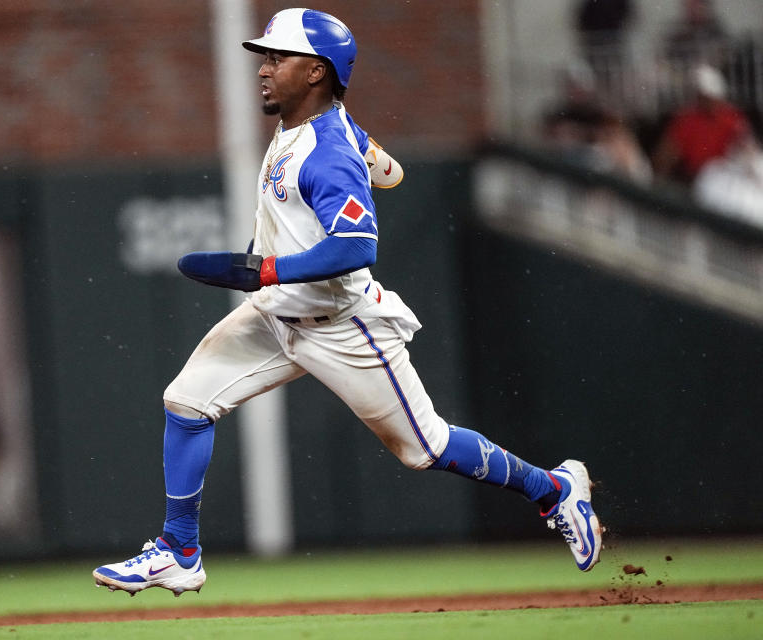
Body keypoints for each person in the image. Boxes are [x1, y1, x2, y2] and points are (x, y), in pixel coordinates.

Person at [93, 8, 603, 597]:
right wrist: (371, 156)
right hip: (278, 313)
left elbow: (356, 245)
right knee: (185, 402)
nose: (263, 68)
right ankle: (179, 553)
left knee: (426, 447)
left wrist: (266, 267)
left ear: (315, 71)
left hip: (341, 324)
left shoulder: (325, 150)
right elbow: (391, 172)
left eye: (277, 58)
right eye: (266, 56)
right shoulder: (316, 127)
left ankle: (555, 490)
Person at [652, 63, 750, 185]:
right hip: (697, 179)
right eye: (704, 96)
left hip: (727, 178)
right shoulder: (686, 120)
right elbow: (665, 155)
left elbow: (747, 148)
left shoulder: (732, 117)